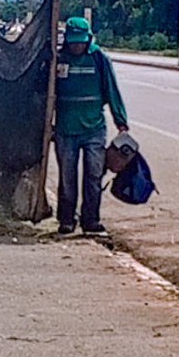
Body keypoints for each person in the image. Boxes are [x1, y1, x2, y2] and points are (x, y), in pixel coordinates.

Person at [53, 17, 128, 236]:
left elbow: (111, 89)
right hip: (65, 130)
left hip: (94, 129)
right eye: (73, 42)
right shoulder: (58, 59)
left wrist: (121, 121)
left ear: (88, 39)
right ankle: (67, 219)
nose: (77, 46)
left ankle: (91, 219)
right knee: (67, 178)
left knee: (94, 176)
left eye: (80, 41)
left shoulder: (98, 58)